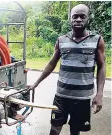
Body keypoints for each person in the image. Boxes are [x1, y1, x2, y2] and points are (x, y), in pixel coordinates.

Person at [28, 4, 106, 135]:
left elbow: (102, 66)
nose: (78, 20)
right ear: (70, 19)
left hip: (82, 98)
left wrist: (99, 94)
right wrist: (36, 83)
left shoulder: (97, 40)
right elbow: (51, 64)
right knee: (54, 129)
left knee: (75, 130)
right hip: (61, 97)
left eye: (82, 16)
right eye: (75, 16)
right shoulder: (61, 40)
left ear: (88, 19)